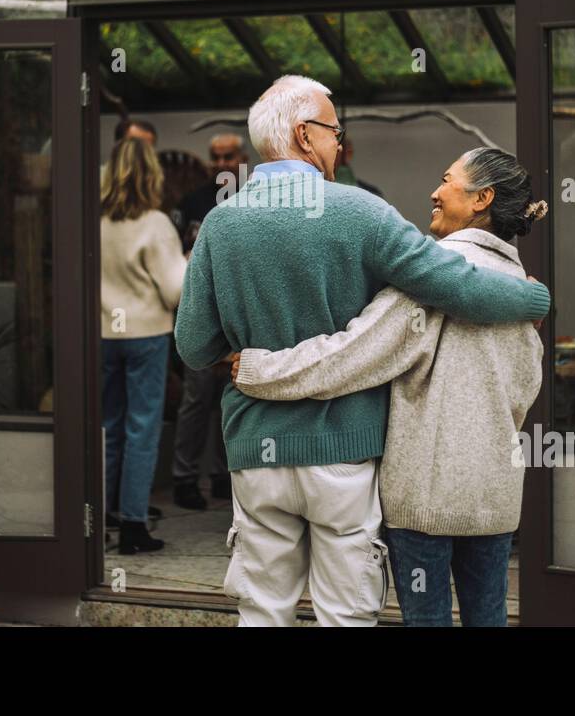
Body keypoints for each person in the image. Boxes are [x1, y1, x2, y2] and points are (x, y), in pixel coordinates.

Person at [174, 75, 551, 627]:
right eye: (333, 130)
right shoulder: (362, 212)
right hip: (343, 452)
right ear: (305, 136)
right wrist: (534, 296)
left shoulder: (220, 224)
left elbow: (192, 344)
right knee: (345, 614)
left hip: (258, 449)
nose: (339, 142)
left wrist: (241, 349)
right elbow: (456, 284)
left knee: (262, 611)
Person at [100, 137, 187, 554]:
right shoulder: (155, 224)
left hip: (101, 336)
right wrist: (188, 257)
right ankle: (134, 524)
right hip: (146, 335)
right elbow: (175, 292)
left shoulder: (93, 221)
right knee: (142, 429)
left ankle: (101, 514)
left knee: (107, 427)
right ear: (151, 174)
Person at [171, 134, 247, 510]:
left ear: (242, 158)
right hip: (203, 314)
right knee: (196, 397)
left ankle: (223, 474)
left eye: (227, 156)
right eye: (215, 157)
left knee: (232, 395)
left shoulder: (254, 197)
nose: (220, 163)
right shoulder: (192, 203)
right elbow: (173, 254)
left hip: (242, 317)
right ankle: (183, 478)